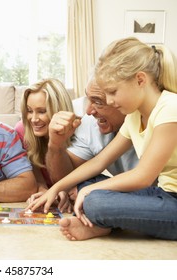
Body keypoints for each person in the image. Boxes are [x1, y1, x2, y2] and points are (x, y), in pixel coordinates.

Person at [27, 37, 177, 241]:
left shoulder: (170, 108)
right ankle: (101, 225)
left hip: (172, 201)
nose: (109, 101)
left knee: (96, 201)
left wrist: (89, 191)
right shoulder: (134, 116)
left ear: (140, 80)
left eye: (113, 92)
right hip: (162, 194)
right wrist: (56, 188)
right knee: (83, 182)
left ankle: (101, 222)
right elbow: (99, 162)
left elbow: (142, 176)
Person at [27, 77, 139, 204]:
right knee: (82, 185)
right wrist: (56, 144)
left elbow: (143, 176)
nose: (88, 111)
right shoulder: (92, 123)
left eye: (98, 102)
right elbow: (95, 164)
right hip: (134, 191)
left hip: (158, 194)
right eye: (88, 99)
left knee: (92, 200)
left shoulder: (146, 118)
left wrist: (88, 189)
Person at [14, 78, 74, 212]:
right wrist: (43, 189)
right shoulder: (22, 130)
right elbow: (33, 171)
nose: (34, 119)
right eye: (29, 111)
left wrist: (63, 190)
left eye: (41, 111)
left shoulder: (80, 132)